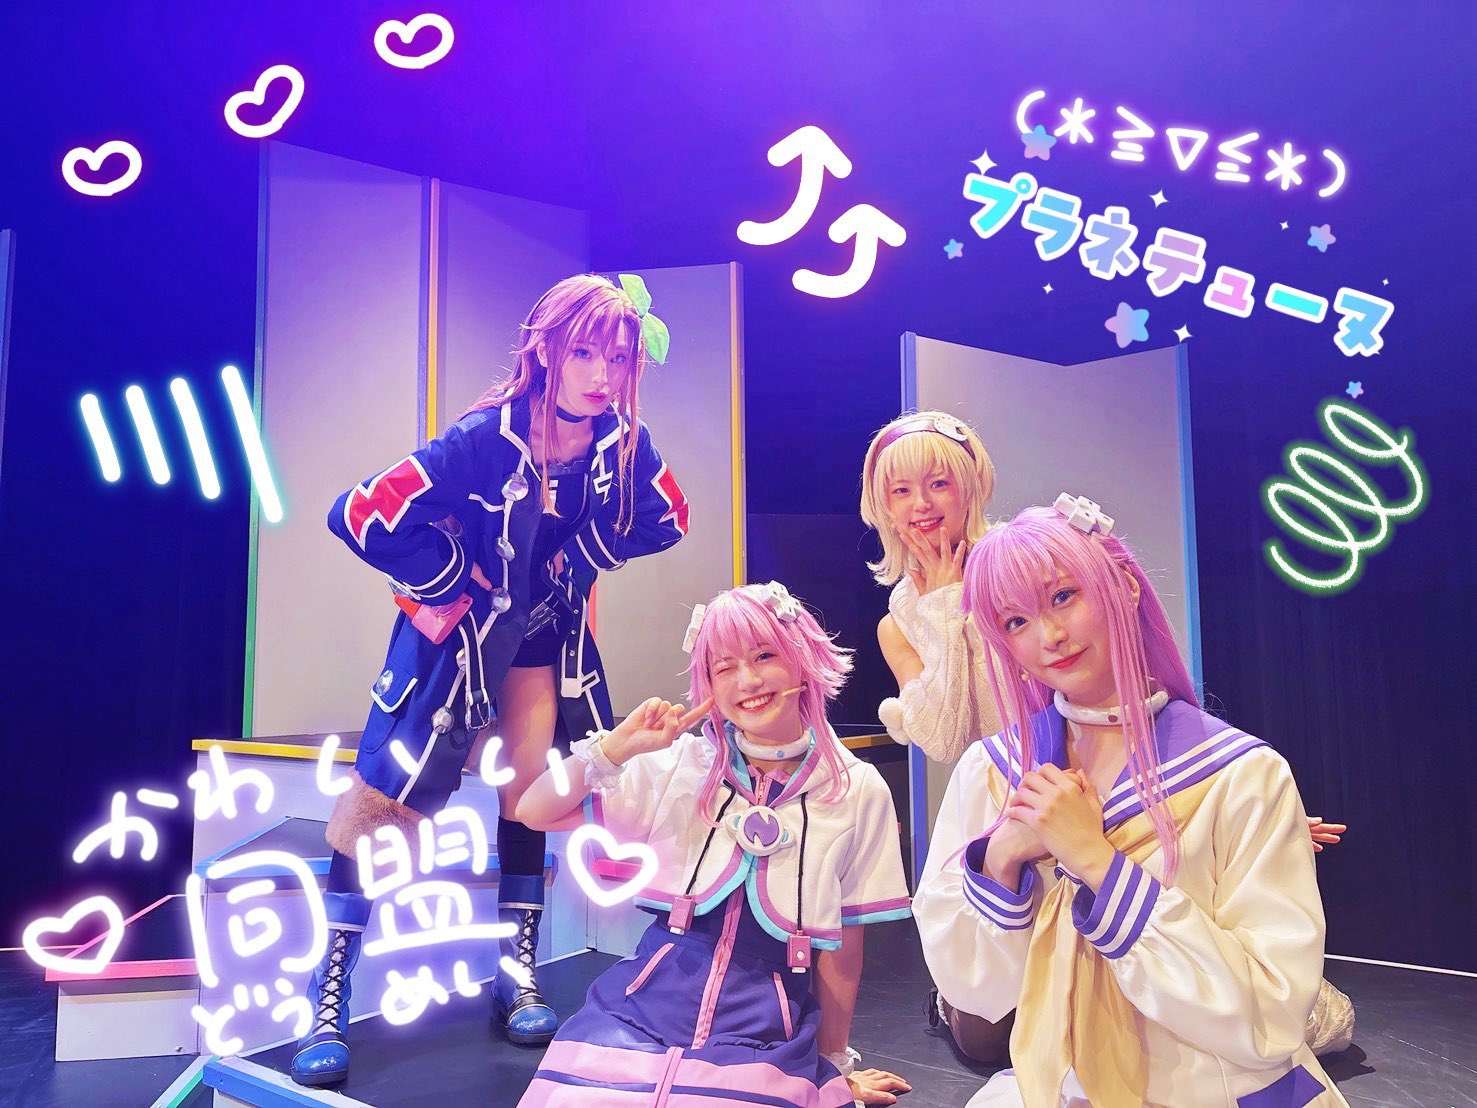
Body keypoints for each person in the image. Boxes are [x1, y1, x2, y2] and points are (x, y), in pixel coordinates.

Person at [290, 273, 689, 1086]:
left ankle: (515, 974)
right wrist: (449, 577)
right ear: (546, 350)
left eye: (617, 358)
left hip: (543, 647)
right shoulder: (482, 436)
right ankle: (326, 997)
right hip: (456, 652)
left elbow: (668, 517)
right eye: (584, 353)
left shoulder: (623, 443)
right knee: (382, 804)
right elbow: (358, 514)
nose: (601, 375)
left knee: (527, 799)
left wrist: (580, 559)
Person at [912, 496, 1349, 1107]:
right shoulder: (991, 772)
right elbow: (977, 993)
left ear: (1124, 586)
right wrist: (1003, 856)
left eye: (1064, 596)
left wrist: (1096, 862)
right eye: (1015, 622)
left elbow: (1271, 1010)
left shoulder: (1243, 774)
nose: (1050, 636)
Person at [515, 583, 914, 1106]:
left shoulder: (857, 788)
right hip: (635, 1012)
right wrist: (615, 748)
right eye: (724, 667)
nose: (747, 681)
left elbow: (844, 950)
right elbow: (532, 810)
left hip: (765, 1033)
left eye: (765, 655)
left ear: (802, 659)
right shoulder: (679, 764)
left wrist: (833, 1065)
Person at [861, 411, 1003, 764]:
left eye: (938, 484)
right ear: (886, 507)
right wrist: (943, 606)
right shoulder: (897, 623)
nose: (921, 503)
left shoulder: (1014, 563)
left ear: (969, 488)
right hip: (998, 784)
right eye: (901, 490)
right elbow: (941, 742)